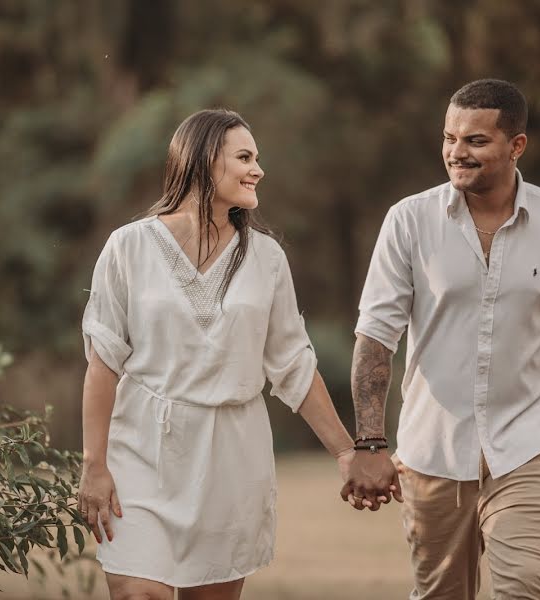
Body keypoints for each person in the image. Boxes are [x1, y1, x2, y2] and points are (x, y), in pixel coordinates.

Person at [341, 79, 540, 599]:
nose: (456, 153)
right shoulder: (410, 220)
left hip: (528, 443)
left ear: (516, 146)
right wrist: (371, 442)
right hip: (432, 452)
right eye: (449, 138)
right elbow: (376, 338)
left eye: (475, 141)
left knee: (527, 588)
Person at [78, 108, 355, 600]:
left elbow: (293, 365)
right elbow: (103, 364)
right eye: (245, 157)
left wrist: (346, 451)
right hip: (143, 451)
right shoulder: (128, 247)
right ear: (204, 161)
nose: (258, 169)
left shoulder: (267, 257)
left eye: (257, 158)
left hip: (232, 456)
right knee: (138, 593)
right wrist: (93, 463)